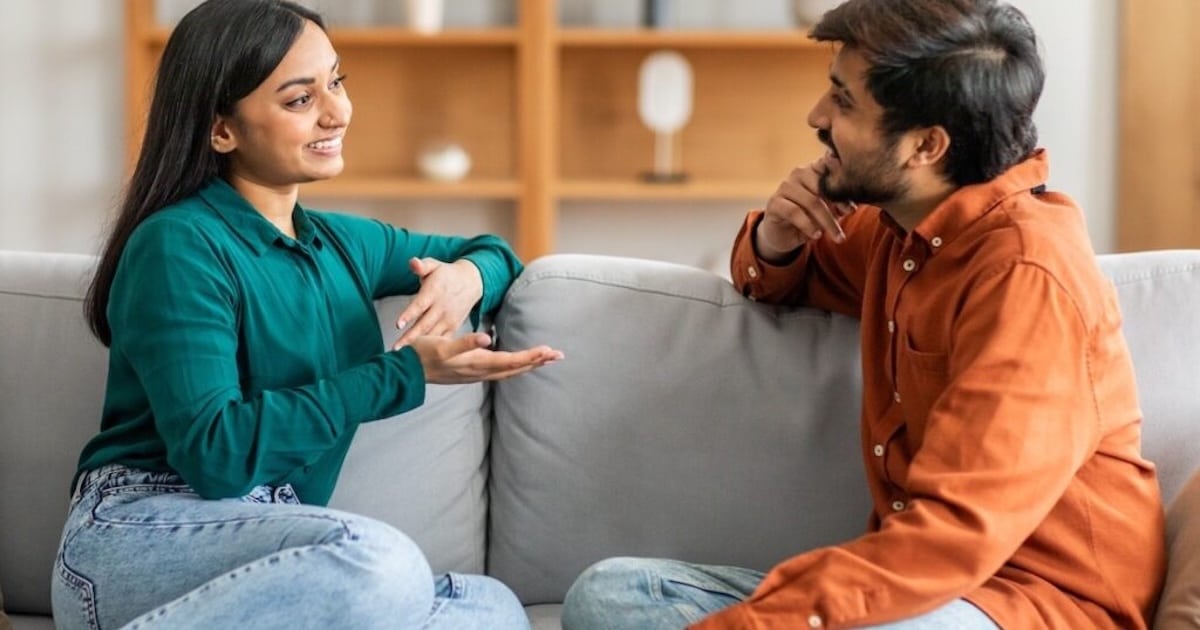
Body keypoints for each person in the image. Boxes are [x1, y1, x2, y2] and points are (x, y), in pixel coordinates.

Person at [561, 0, 1165, 628]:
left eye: (844, 101)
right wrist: (777, 236)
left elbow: (951, 537)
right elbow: (773, 279)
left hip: (1034, 603)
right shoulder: (903, 233)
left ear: (926, 146)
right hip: (918, 588)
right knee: (613, 594)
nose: (817, 117)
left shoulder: (1027, 278)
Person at [51, 1, 561, 628]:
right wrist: (400, 375)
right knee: (384, 564)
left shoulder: (341, 243)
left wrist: (465, 279)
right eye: (299, 99)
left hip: (274, 542)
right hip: (138, 535)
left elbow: (493, 251)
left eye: (337, 81)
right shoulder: (179, 244)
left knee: (490, 609)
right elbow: (215, 455)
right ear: (221, 131)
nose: (336, 111)